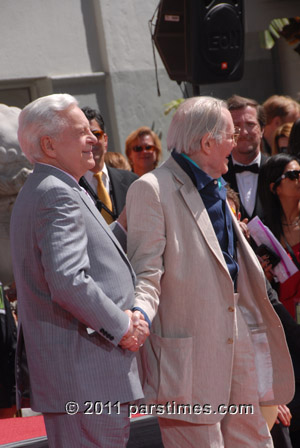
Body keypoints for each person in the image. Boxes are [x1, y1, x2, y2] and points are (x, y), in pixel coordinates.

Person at [126, 96, 294, 448]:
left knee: (253, 440)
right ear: (207, 143)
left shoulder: (217, 185)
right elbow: (147, 271)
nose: (237, 143)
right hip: (187, 354)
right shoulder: (150, 189)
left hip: (239, 336)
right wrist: (139, 312)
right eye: (230, 136)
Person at [10, 94, 149, 448]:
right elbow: (69, 280)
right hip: (85, 377)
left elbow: (93, 253)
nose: (94, 139)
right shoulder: (57, 193)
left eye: (93, 132)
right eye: (82, 132)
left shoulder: (58, 186)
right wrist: (122, 327)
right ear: (49, 144)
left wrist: (131, 219)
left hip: (82, 377)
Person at [258, 153, 300, 447]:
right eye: (293, 176)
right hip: (286, 328)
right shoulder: (263, 232)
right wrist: (261, 269)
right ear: (274, 187)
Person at [79, 107, 138, 224]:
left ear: (105, 140)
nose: (91, 141)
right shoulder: (71, 188)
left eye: (96, 134)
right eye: (84, 135)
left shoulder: (132, 181)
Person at [223, 94, 268, 221]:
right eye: (236, 126)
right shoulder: (216, 176)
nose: (243, 132)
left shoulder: (277, 171)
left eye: (250, 124)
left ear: (262, 129)